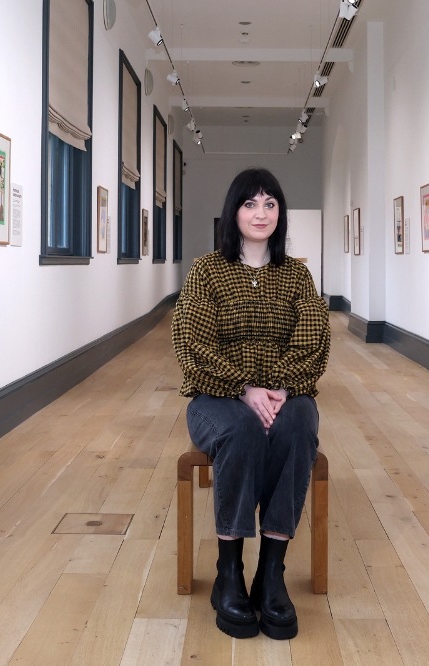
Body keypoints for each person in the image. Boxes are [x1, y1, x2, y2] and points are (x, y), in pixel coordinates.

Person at [171, 168, 330, 640]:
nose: (260, 214)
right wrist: (244, 387)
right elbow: (193, 345)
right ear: (233, 212)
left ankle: (272, 572)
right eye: (249, 204)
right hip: (215, 398)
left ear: (280, 214)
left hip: (286, 396)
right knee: (241, 429)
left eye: (270, 204)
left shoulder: (296, 275)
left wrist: (279, 386)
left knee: (299, 424)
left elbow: (314, 341)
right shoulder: (206, 272)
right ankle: (229, 572)